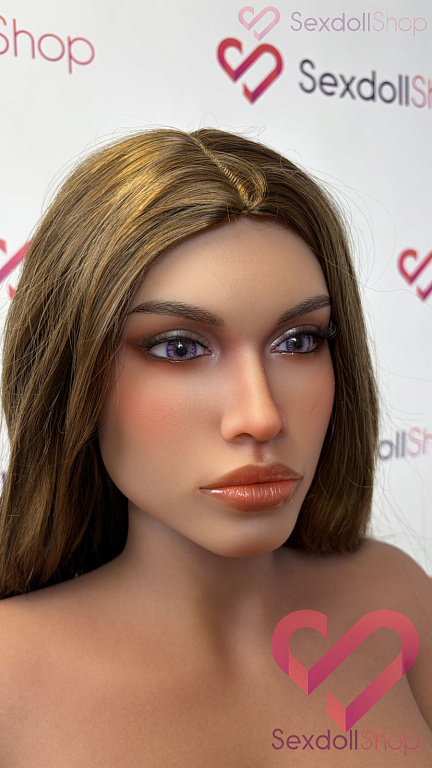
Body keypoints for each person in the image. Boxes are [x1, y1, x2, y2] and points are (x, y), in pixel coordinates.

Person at [0, 127, 430, 766]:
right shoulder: (10, 678)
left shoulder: (394, 598)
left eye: (299, 342)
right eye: (178, 347)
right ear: (71, 372)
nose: (260, 416)